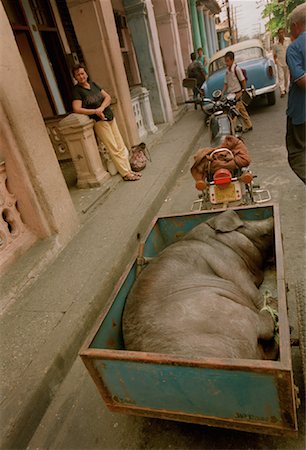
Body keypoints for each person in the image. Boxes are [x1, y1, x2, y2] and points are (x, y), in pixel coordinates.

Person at [71, 64, 141, 181]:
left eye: (82, 73)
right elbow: (76, 109)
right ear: (75, 78)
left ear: (86, 74)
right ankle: (126, 174)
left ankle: (129, 170)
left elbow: (107, 97)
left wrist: (101, 108)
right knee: (113, 147)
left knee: (120, 145)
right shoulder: (77, 91)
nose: (81, 76)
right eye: (78, 75)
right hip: (99, 121)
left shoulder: (93, 84)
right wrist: (95, 111)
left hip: (110, 117)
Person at [285, 4, 306, 184]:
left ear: (295, 25)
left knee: (297, 155)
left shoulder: (294, 48)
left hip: (301, 113)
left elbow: (301, 80)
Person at [222, 51, 253, 133]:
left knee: (233, 111)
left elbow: (243, 80)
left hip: (238, 93)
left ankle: (232, 129)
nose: (226, 62)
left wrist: (244, 90)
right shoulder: (227, 71)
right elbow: (226, 83)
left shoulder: (237, 69)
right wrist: (222, 92)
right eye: (225, 61)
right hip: (231, 94)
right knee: (242, 110)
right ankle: (249, 125)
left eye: (227, 60)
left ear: (232, 60)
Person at [273, 28, 290, 98]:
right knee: (281, 77)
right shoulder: (275, 45)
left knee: (286, 77)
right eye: (279, 33)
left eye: (282, 32)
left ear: (284, 33)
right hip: (279, 62)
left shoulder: (288, 41)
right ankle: (282, 91)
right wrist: (276, 61)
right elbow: (274, 54)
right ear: (278, 34)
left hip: (288, 61)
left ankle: (286, 89)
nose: (281, 34)